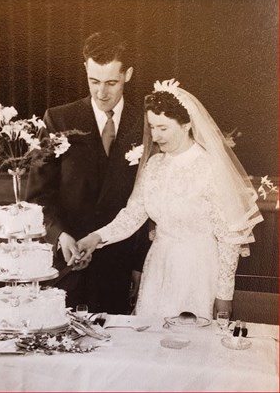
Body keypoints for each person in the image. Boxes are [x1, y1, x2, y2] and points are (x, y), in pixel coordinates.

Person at [74, 79, 263, 319]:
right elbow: (133, 215)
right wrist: (96, 238)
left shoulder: (210, 168)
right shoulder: (154, 165)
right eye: (152, 127)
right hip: (158, 267)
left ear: (185, 125)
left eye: (163, 128)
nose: (155, 136)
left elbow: (229, 239)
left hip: (198, 270)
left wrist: (224, 295)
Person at [26, 30, 150, 314]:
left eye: (111, 83)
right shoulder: (58, 119)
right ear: (85, 69)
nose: (101, 92)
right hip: (65, 266)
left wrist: (139, 264)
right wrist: (60, 236)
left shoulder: (145, 125)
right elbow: (37, 195)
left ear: (128, 74)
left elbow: (150, 203)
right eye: (94, 81)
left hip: (119, 265)